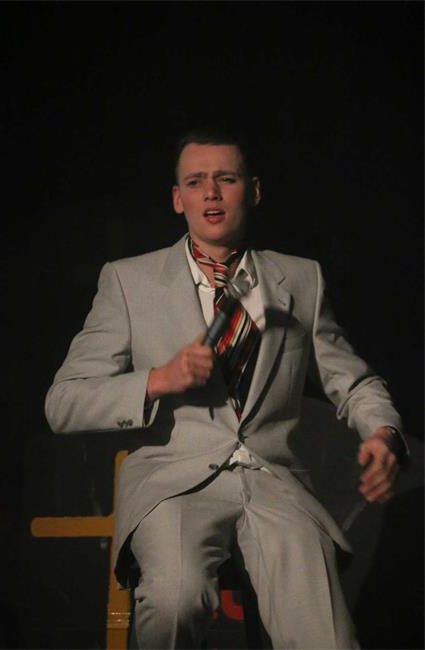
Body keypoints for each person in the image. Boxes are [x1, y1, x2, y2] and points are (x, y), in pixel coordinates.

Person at [45, 127, 406, 649]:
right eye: (196, 182)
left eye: (226, 179)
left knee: (326, 637)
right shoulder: (128, 281)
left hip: (274, 483)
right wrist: (157, 380)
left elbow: (352, 381)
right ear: (178, 199)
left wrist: (383, 432)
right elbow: (63, 402)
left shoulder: (301, 279)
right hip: (175, 485)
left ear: (252, 191)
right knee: (175, 599)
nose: (211, 193)